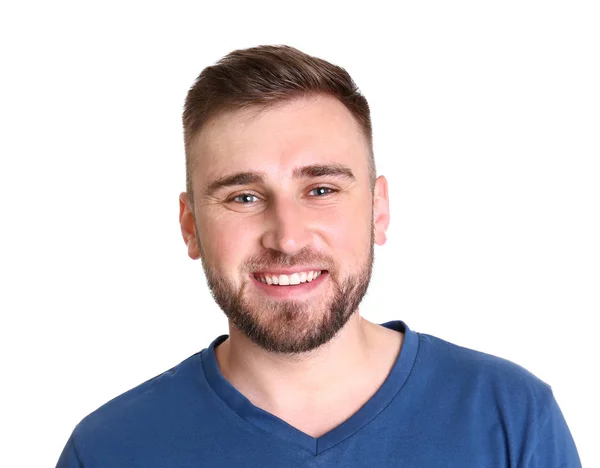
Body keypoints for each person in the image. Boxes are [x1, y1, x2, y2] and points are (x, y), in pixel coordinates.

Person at [56, 45, 581, 467]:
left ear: (378, 210)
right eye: (244, 198)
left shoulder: (512, 417)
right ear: (190, 226)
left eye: (322, 190)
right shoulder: (108, 450)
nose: (286, 238)